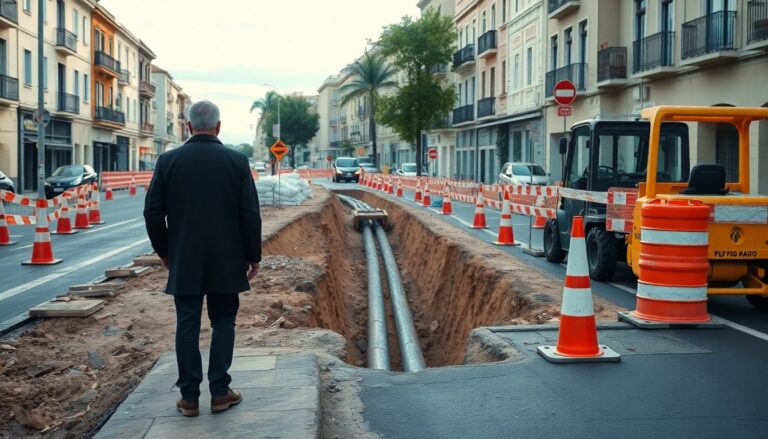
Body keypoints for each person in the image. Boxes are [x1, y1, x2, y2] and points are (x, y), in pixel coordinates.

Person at [144, 100, 262, 417]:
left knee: (187, 325)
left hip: (185, 259)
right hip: (227, 260)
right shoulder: (237, 162)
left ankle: (189, 397)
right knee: (224, 321)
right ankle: (221, 391)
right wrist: (253, 255)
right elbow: (250, 213)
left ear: (189, 127)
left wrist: (165, 251)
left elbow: (152, 213)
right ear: (219, 127)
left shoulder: (168, 161)